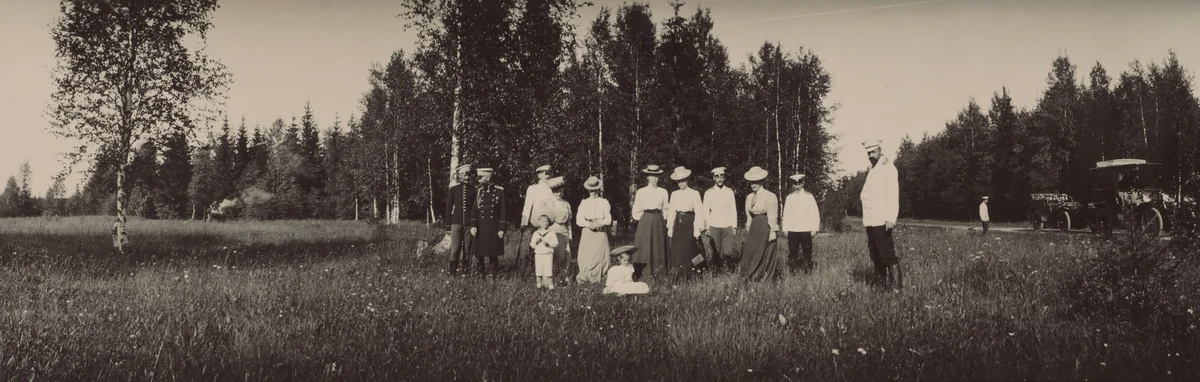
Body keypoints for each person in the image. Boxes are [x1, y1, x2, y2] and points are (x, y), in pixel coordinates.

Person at [860, 140, 902, 291]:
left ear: (880, 150)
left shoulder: (888, 168)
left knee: (887, 256)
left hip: (882, 220)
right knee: (875, 256)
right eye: (868, 153)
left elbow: (892, 195)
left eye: (873, 152)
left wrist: (891, 218)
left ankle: (896, 288)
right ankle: (880, 287)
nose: (870, 155)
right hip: (871, 220)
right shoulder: (873, 170)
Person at [739, 166, 781, 282]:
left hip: (765, 226)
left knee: (764, 251)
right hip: (754, 227)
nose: (754, 185)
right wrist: (748, 227)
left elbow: (772, 215)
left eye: (756, 182)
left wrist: (773, 231)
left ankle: (762, 277)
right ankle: (749, 277)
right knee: (750, 251)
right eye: (752, 182)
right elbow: (749, 215)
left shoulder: (769, 196)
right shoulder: (749, 197)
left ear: (762, 181)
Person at [631, 165, 670, 279]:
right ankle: (644, 272)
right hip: (646, 220)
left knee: (658, 245)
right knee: (645, 245)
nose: (654, 179)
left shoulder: (663, 192)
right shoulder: (641, 192)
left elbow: (666, 209)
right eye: (652, 176)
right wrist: (644, 220)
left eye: (656, 176)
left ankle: (659, 271)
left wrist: (662, 220)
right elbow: (636, 210)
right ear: (647, 177)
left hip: (659, 219)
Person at [667, 166, 706, 274]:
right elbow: (671, 212)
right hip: (678, 223)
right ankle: (678, 270)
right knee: (678, 247)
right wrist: (670, 227)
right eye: (679, 181)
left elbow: (699, 211)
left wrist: (697, 228)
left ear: (687, 180)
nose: (681, 183)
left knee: (690, 247)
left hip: (690, 221)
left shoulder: (694, 193)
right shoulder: (674, 194)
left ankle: (693, 271)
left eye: (683, 181)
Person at [471, 166, 508, 278]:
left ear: (488, 178)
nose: (478, 180)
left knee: (493, 252)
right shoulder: (478, 192)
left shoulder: (499, 191)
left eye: (480, 178)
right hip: (481, 226)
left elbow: (503, 212)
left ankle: (493, 275)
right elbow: (474, 211)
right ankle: (480, 275)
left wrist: (502, 228)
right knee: (479, 253)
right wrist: (473, 225)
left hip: (494, 226)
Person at [575, 176, 612, 284]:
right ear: (588, 190)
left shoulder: (604, 202)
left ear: (598, 189)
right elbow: (579, 219)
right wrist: (588, 224)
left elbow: (608, 218)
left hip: (600, 230)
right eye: (591, 190)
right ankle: (586, 276)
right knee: (587, 254)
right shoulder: (584, 203)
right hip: (588, 230)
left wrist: (601, 223)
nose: (593, 192)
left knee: (602, 254)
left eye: (595, 190)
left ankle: (602, 275)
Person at [537, 177, 574, 284]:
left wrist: (570, 234)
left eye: (561, 191)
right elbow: (543, 219)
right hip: (552, 230)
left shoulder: (566, 203)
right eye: (556, 191)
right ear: (552, 191)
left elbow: (568, 222)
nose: (559, 194)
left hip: (564, 231)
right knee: (554, 255)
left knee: (566, 255)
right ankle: (551, 277)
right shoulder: (547, 202)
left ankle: (563, 276)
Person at [783, 173, 821, 273]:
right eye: (795, 184)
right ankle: (792, 271)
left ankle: (808, 271)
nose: (797, 186)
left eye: (799, 183)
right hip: (793, 229)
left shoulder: (809, 196)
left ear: (802, 183)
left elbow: (814, 213)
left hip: (806, 228)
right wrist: (785, 229)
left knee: (807, 251)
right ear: (793, 185)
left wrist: (814, 228)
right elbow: (786, 214)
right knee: (793, 252)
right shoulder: (789, 197)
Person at [518, 165, 554, 269]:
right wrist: (524, 222)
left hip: (550, 222)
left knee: (549, 245)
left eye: (548, 172)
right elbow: (527, 206)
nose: (547, 175)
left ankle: (549, 269)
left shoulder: (552, 188)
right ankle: (532, 268)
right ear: (539, 175)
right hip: (536, 222)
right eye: (544, 172)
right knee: (535, 245)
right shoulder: (533, 188)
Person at [703, 167, 738, 271]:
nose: (719, 179)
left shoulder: (729, 192)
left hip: (727, 225)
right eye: (717, 177)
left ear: (724, 178)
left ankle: (727, 270)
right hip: (714, 225)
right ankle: (715, 271)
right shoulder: (709, 193)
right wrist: (707, 227)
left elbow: (733, 209)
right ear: (714, 178)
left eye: (721, 176)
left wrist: (734, 226)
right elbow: (705, 211)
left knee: (728, 251)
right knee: (715, 250)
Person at [444, 164, 476, 276]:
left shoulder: (474, 190)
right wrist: (448, 226)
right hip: (455, 223)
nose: (467, 177)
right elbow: (449, 208)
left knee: (467, 250)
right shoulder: (453, 190)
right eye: (464, 175)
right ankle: (452, 274)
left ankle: (465, 274)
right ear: (459, 176)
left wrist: (474, 224)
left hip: (469, 224)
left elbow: (475, 209)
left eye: (468, 175)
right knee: (455, 250)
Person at [530, 215, 558, 290]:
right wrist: (536, 242)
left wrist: (548, 244)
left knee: (548, 271)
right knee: (539, 271)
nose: (545, 223)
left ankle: (551, 288)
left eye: (546, 221)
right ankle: (539, 287)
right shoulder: (536, 233)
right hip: (539, 255)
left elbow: (555, 243)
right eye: (543, 221)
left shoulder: (551, 233)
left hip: (548, 255)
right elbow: (532, 245)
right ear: (539, 222)